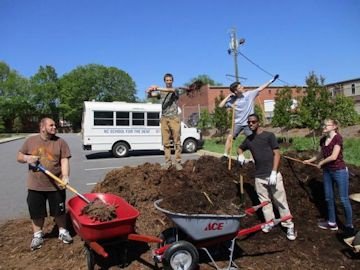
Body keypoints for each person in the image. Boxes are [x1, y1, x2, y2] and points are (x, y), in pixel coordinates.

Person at [237, 113, 296, 240]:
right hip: (259, 176)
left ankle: (289, 225)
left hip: (272, 175)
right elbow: (240, 148)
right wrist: (240, 154)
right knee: (265, 203)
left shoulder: (269, 136)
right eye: (249, 122)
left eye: (253, 122)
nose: (251, 124)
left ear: (259, 122)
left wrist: (274, 172)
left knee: (280, 200)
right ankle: (270, 222)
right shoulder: (249, 139)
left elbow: (277, 154)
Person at [17, 117, 73, 251]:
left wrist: (65, 176)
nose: (55, 127)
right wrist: (26, 158)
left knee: (59, 211)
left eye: (55, 125)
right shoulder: (30, 141)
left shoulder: (60, 142)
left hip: (56, 185)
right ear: (42, 127)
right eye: (51, 125)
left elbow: (64, 160)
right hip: (35, 185)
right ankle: (37, 235)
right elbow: (19, 156)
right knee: (36, 212)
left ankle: (63, 232)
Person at [303, 118, 354, 234]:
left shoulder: (338, 138)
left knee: (343, 199)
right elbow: (320, 154)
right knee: (328, 198)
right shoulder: (323, 140)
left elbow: (334, 156)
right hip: (327, 172)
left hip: (339, 171)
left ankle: (349, 225)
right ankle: (332, 223)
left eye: (327, 125)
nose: (324, 127)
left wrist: (321, 163)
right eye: (323, 125)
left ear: (334, 127)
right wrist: (309, 160)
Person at [219, 74, 279, 161]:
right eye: (240, 87)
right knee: (230, 137)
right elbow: (220, 106)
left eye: (241, 86)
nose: (243, 87)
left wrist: (271, 80)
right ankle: (225, 155)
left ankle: (252, 159)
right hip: (237, 123)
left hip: (248, 123)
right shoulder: (233, 100)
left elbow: (261, 88)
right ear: (235, 91)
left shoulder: (249, 94)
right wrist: (228, 96)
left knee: (252, 141)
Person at [146, 73, 183, 171]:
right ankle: (168, 162)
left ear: (172, 81)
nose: (169, 82)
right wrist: (149, 91)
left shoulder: (175, 90)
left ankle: (178, 162)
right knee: (165, 142)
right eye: (167, 80)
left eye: (170, 80)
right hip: (164, 118)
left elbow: (170, 90)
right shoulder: (160, 92)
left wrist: (157, 87)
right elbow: (150, 96)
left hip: (174, 118)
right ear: (165, 81)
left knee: (177, 142)